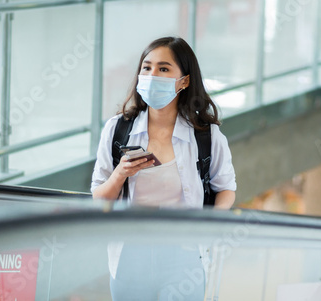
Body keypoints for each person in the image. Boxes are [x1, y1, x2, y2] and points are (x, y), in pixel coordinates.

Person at [90, 36, 237, 300]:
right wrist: (120, 173)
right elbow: (99, 197)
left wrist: (211, 222)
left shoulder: (207, 136)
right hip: (130, 255)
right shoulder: (117, 129)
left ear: (184, 81)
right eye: (146, 68)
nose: (152, 74)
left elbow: (226, 188)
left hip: (184, 255)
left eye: (164, 68)